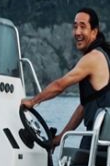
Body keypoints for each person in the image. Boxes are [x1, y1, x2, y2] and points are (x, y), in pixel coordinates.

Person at [22, 8, 110, 150]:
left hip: (100, 139)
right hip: (100, 137)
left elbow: (59, 85)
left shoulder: (93, 58)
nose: (77, 32)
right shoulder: (103, 55)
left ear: (94, 31)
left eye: (83, 27)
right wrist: (60, 137)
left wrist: (33, 101)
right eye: (75, 27)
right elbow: (83, 107)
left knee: (74, 161)